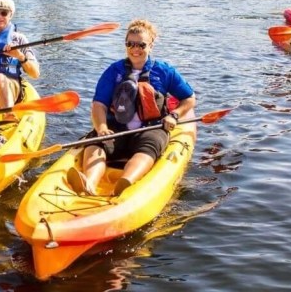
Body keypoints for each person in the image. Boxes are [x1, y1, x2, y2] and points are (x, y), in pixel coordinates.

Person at [67, 19, 196, 196]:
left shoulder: (164, 71)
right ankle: (89, 183)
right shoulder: (114, 71)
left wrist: (174, 115)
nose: (135, 49)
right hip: (117, 128)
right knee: (95, 142)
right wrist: (102, 127)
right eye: (130, 44)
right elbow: (99, 104)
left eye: (141, 45)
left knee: (149, 146)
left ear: (151, 45)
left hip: (152, 128)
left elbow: (189, 98)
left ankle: (124, 182)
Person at [0, 0, 40, 113]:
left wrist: (20, 56)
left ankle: (8, 114)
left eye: (4, 13)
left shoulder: (19, 39)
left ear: (10, 15)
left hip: (8, 84)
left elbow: (35, 74)